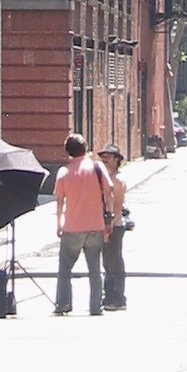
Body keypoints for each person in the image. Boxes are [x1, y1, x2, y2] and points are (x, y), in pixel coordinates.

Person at [52, 133, 112, 316]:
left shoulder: (63, 172)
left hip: (72, 227)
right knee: (94, 268)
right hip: (95, 225)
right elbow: (109, 189)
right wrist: (108, 218)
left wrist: (59, 224)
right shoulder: (97, 168)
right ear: (85, 148)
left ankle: (63, 304)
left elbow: (60, 201)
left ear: (68, 152)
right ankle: (96, 307)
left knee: (65, 269)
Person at [98, 142, 128, 310]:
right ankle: (109, 296)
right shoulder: (105, 179)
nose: (104, 159)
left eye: (108, 157)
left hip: (114, 226)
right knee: (107, 263)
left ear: (117, 159)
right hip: (105, 225)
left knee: (114, 261)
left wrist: (109, 228)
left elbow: (118, 209)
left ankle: (118, 297)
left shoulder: (117, 181)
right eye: (102, 157)